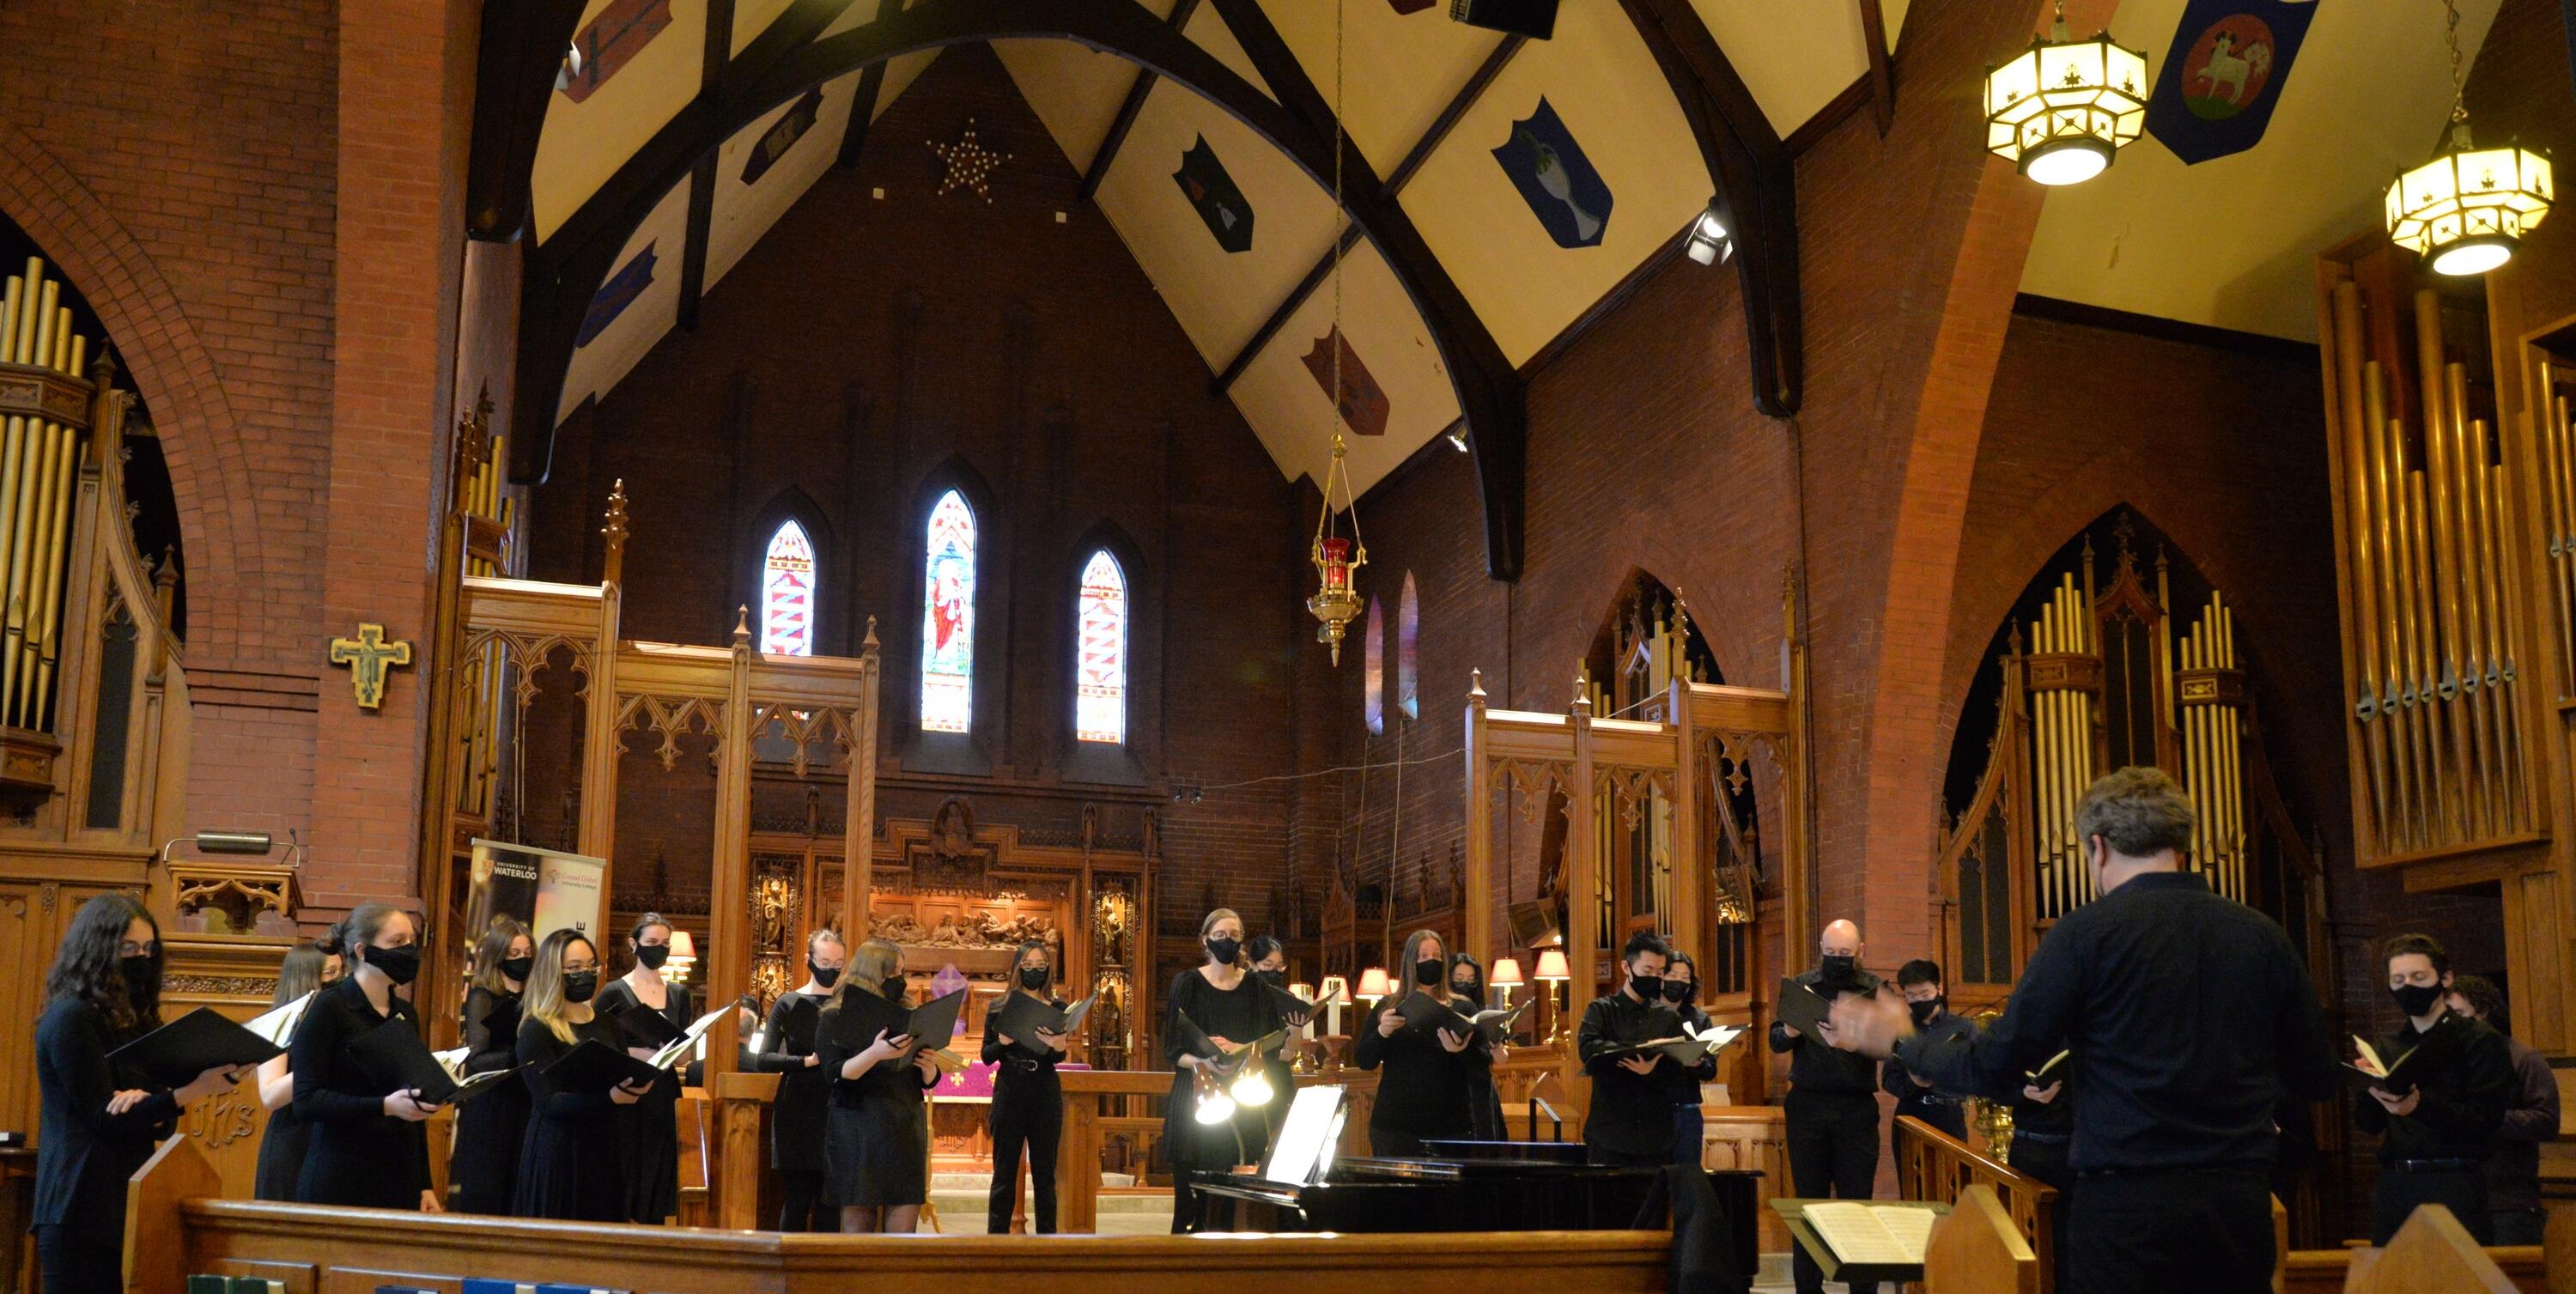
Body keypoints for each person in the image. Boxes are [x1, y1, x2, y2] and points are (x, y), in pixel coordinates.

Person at [1826, 766, 2340, 1294]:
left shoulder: (2086, 935)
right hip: (2239, 1203)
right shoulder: (2262, 936)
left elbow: (1994, 1064)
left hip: (2127, 1208)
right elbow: (2318, 1076)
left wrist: (1903, 1042)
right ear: (2181, 842)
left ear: (2098, 847)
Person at [33, 894, 245, 1294]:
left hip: (128, 1199)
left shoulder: (136, 1022)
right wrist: (188, 1092)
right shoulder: (70, 1018)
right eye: (129, 949)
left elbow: (152, 1118)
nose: (141, 959)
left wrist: (158, 1101)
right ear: (98, 950)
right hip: (77, 1204)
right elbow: (103, 1119)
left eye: (148, 950)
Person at [2354, 933, 2512, 1245]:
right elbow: (2368, 1124)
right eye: (2398, 980)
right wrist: (2367, 1085)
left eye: (2419, 977)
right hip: (2396, 1185)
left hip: (2455, 1182)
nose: (2408, 987)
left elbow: (2485, 1121)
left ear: (2445, 978)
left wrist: (2420, 1106)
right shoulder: (2387, 1047)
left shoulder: (2480, 1040)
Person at [291, 902, 440, 1211]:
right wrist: (384, 1106)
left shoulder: (405, 1013)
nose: (408, 950)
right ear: (362, 951)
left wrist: (425, 1183)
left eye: (411, 941)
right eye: (397, 941)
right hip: (341, 1173)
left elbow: (412, 1103)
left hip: (399, 1175)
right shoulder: (328, 1009)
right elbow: (306, 1101)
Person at [1771, 918, 1885, 1294]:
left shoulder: (1875, 989)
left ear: (1861, 951)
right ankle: (1808, 1288)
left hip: (1856, 1107)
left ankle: (1862, 1290)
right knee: (1809, 1202)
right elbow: (1776, 1041)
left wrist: (1857, 1043)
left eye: (1845, 953)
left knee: (1858, 1202)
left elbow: (1892, 1046)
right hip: (1808, 1104)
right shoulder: (1803, 986)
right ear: (1820, 949)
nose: (1837, 958)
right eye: (1831, 952)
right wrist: (1790, 1030)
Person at [1161, 908, 1283, 1232]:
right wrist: (1205, 1061)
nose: (1227, 940)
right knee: (1190, 1204)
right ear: (1205, 940)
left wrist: (1239, 1050)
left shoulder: (1255, 986)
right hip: (1196, 1094)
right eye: (1219, 935)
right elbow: (1172, 1050)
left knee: (1231, 1201)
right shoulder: (1187, 983)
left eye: (1234, 935)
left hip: (1242, 1094)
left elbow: (1271, 1042)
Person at [513, 929, 648, 1221]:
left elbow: (622, 1070)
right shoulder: (537, 1028)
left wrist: (637, 1083)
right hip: (560, 1151)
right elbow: (547, 1101)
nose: (585, 974)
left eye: (590, 966)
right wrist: (609, 1099)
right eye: (574, 969)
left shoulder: (608, 1024)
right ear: (553, 972)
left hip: (605, 1148)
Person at [817, 937, 940, 1233]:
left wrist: (930, 1068)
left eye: (902, 972)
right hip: (858, 1123)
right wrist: (875, 1053)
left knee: (903, 1222)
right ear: (873, 973)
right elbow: (835, 1073)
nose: (900, 979)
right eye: (893, 972)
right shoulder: (835, 1016)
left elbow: (923, 1079)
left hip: (903, 1122)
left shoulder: (909, 1016)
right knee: (859, 1217)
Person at [1354, 928, 1492, 1157]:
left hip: (1451, 1127)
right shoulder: (1388, 1006)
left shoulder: (1463, 1007)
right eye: (1423, 956)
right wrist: (1382, 1032)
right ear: (1411, 962)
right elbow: (1364, 1060)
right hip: (1396, 1128)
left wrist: (1460, 1050)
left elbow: (1483, 1062)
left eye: (1437, 956)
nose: (1432, 961)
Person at [1578, 931, 1707, 1167]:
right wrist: (1636, 1049)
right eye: (1647, 971)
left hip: (1657, 1136)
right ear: (1626, 967)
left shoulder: (1668, 1017)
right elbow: (1589, 1048)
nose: (1654, 979)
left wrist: (1652, 1072)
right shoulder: (1601, 1009)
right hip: (1610, 1132)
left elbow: (1677, 1074)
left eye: (1659, 973)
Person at [595, 912, 692, 1225]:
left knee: (657, 1163)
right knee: (625, 1162)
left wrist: (675, 1050)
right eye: (652, 942)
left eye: (665, 943)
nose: (659, 948)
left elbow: (685, 1056)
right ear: (633, 944)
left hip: (663, 1090)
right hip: (627, 1086)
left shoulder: (679, 994)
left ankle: (652, 1233)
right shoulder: (613, 991)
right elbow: (599, 1044)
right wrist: (643, 1051)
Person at [745, 927, 846, 1231]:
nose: (831, 970)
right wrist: (806, 1061)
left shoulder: (848, 1003)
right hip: (797, 1108)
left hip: (838, 1105)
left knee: (831, 1202)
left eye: (838, 964)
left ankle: (824, 1262)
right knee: (797, 1199)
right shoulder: (788, 1002)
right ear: (809, 960)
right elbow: (763, 1059)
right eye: (824, 962)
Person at [2448, 973, 2558, 1246]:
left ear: (2482, 1012)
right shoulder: (2446, 1064)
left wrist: (2484, 1119)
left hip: (2508, 1202)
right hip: (2456, 1199)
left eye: (2457, 1014)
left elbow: (2546, 1120)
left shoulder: (2522, 1058)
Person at [983, 939, 1069, 1233]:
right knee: (1004, 1173)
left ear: (1048, 970)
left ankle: (1047, 1242)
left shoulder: (1058, 1007)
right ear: (1018, 968)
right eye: (1029, 965)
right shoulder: (999, 1007)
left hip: (1044, 1090)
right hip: (1011, 1088)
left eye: (1041, 966)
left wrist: (1059, 1045)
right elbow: (986, 1056)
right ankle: (996, 1240)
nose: (1035, 971)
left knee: (1045, 1175)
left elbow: (1057, 1057)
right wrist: (1003, 1042)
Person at [447, 915, 532, 1215]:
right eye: (514, 954)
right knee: (487, 1190)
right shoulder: (484, 996)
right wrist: (519, 1054)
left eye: (527, 953)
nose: (522, 960)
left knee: (520, 1190)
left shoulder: (535, 996)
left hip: (528, 1100)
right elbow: (477, 1058)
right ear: (498, 956)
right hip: (493, 1103)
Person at [252, 938, 340, 1202]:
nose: (340, 980)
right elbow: (270, 1095)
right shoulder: (278, 1023)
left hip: (334, 1135)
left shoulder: (341, 1020)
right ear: (306, 978)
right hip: (294, 1138)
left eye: (342, 971)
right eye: (331, 973)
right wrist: (324, 1060)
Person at [1881, 958, 1972, 1141]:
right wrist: (1914, 1082)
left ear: (1939, 989)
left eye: (1925, 994)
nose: (1919, 1001)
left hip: (1949, 1114)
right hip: (1910, 1113)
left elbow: (1976, 1073)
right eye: (1912, 996)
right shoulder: (1899, 1029)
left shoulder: (1963, 1027)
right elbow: (1889, 1080)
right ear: (1905, 996)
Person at [1659, 949, 1717, 1164]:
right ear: (1660, 977)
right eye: (1673, 975)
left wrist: (1699, 1064)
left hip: (1687, 1112)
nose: (1679, 982)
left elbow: (1711, 1070)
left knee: (1686, 1177)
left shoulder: (1700, 1019)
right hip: (1654, 1111)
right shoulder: (1646, 1014)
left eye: (1685, 977)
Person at [1246, 936, 1304, 1142]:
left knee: (1281, 1135)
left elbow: (1289, 1054)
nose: (1274, 971)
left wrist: (1296, 1032)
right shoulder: (1241, 995)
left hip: (1279, 1075)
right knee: (1253, 1135)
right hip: (1250, 1075)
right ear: (1252, 964)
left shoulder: (1286, 997)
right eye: (1267, 965)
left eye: (1280, 966)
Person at [1449, 951, 1509, 1141]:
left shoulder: (1482, 1013)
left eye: (1471, 980)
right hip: (1453, 1087)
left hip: (1479, 1087)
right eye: (1459, 980)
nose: (1466, 985)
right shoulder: (1444, 1009)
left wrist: (1496, 1045)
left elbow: (1502, 1058)